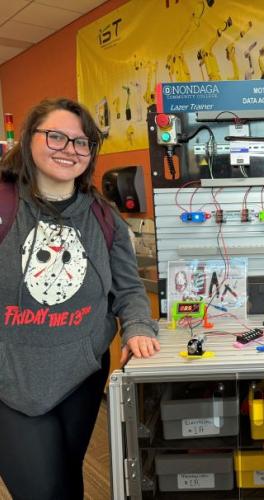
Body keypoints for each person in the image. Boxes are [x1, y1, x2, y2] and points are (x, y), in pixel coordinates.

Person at [0, 98, 161, 499]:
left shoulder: (104, 217)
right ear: (30, 139)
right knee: (42, 489)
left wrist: (138, 328)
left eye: (81, 142)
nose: (69, 149)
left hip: (81, 374)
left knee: (68, 479)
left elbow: (128, 288)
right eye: (56, 136)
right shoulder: (5, 205)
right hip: (11, 377)